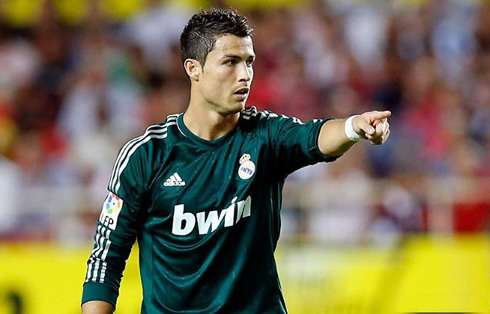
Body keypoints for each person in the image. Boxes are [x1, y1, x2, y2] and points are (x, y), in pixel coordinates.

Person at [81, 8, 391, 314]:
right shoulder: (145, 156)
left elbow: (316, 137)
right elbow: (106, 259)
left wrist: (354, 127)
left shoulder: (265, 137)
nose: (244, 75)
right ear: (194, 69)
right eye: (230, 62)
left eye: (249, 62)